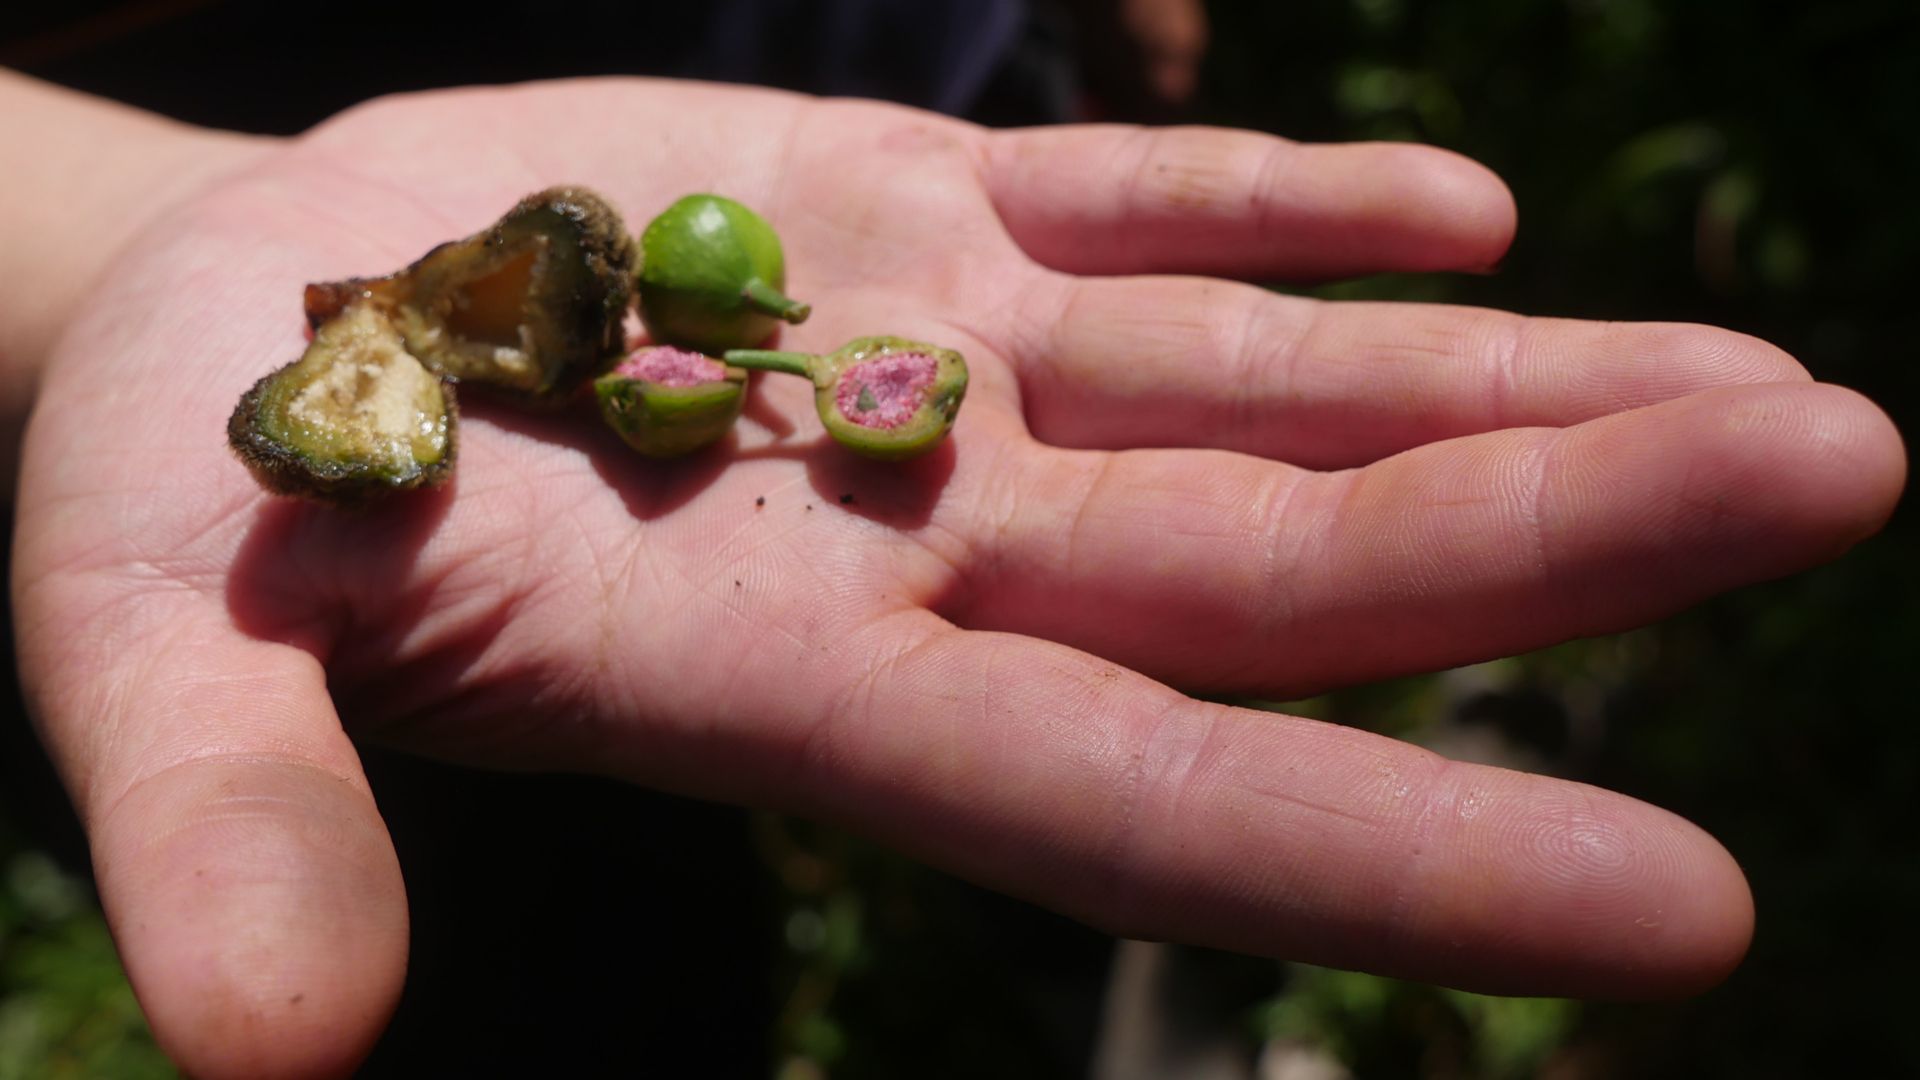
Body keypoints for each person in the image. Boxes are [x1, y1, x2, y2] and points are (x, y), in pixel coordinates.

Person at [0, 68, 1904, 1079]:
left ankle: (1034, 977)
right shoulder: (606, 356)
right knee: (554, 934)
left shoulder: (745, 321)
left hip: (878, 59)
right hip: (231, 107)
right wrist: (128, 230)